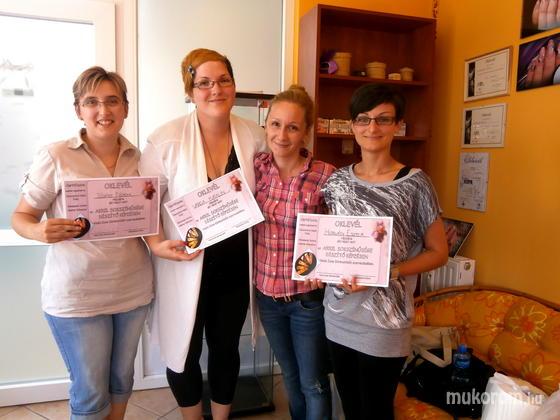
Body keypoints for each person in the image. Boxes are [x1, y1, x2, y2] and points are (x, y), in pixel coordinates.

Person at [11, 66, 153, 419]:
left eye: (112, 101)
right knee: (90, 391)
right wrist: (39, 231)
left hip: (132, 290)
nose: (103, 110)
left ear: (125, 108)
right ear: (78, 109)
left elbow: (152, 220)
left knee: (121, 378)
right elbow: (21, 217)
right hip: (77, 295)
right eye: (92, 102)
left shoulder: (141, 159)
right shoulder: (56, 155)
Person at [138, 48, 266, 420]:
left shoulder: (254, 136)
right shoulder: (166, 139)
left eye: (224, 80)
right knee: (184, 350)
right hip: (184, 264)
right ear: (190, 91)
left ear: (234, 85)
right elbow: (146, 201)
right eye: (204, 83)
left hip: (235, 269)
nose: (216, 89)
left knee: (226, 349)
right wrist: (156, 244)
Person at [318, 84, 448, 420]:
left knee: (376, 411)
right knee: (350, 408)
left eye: (383, 119)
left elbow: (439, 252)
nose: (372, 127)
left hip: (385, 322)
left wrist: (387, 272)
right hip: (338, 314)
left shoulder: (416, 184)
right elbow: (331, 243)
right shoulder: (336, 183)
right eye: (363, 119)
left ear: (397, 125)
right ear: (352, 126)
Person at [253, 85, 335, 420]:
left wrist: (326, 268)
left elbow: (339, 232)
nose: (282, 135)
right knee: (289, 375)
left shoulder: (325, 175)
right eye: (275, 124)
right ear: (266, 125)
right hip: (267, 296)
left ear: (306, 133)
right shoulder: (256, 169)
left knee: (312, 382)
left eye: (292, 127)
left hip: (306, 299)